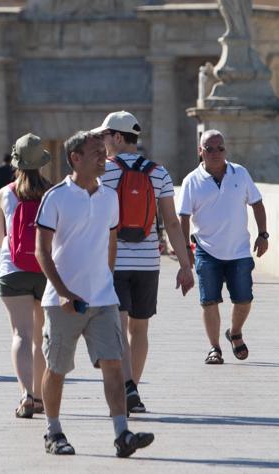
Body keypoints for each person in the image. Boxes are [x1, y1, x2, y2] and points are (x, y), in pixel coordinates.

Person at [36, 131, 155, 459]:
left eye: (104, 152)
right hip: (63, 301)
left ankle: (122, 434)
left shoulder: (109, 196)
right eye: (96, 153)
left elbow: (111, 238)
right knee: (57, 368)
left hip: (103, 298)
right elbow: (42, 251)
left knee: (114, 365)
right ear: (75, 158)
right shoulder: (56, 197)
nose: (104, 158)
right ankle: (53, 430)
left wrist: (107, 278)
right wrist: (62, 292)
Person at [94, 111, 194, 414]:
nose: (102, 142)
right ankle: (132, 389)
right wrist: (185, 265)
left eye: (105, 136)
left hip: (114, 262)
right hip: (148, 262)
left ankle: (126, 388)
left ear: (118, 138)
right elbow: (172, 223)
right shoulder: (159, 173)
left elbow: (95, 219)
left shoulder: (105, 173)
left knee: (119, 327)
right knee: (140, 329)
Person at [177, 129, 268, 365]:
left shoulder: (240, 173)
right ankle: (214, 348)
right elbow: (183, 218)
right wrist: (186, 249)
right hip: (206, 250)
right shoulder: (191, 181)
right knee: (209, 301)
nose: (216, 153)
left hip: (239, 250)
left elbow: (257, 203)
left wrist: (263, 234)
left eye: (220, 148)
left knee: (244, 299)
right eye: (209, 149)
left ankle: (235, 332)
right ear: (200, 152)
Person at [0, 133, 52, 418]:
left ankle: (26, 394)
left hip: (12, 270)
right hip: (46, 270)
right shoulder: (53, 192)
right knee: (41, 337)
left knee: (21, 335)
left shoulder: (5, 193)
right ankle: (40, 396)